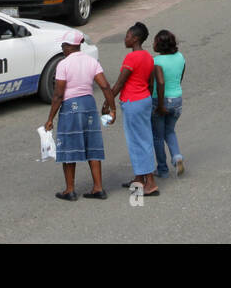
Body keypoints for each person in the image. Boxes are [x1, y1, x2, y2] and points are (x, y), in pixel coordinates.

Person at [44, 29, 115, 201]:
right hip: (89, 105)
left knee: (69, 147)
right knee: (93, 145)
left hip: (71, 107)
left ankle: (70, 190)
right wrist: (112, 108)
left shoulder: (63, 64)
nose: (62, 48)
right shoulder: (91, 61)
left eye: (63, 45)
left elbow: (58, 95)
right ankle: (98, 188)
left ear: (70, 46)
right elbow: (105, 85)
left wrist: (50, 118)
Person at [110, 22, 160, 197]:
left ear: (135, 38)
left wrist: (108, 102)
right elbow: (151, 83)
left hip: (133, 102)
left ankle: (150, 183)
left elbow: (119, 83)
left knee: (138, 141)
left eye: (128, 36)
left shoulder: (131, 58)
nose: (126, 39)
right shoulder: (148, 57)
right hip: (144, 99)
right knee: (142, 138)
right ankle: (139, 178)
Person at [150, 30, 186, 178]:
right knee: (170, 131)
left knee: (158, 136)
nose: (152, 44)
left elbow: (160, 82)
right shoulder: (180, 57)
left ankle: (162, 169)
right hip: (177, 100)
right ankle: (177, 157)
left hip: (161, 101)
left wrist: (160, 105)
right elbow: (180, 77)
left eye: (154, 41)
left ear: (160, 45)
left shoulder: (157, 62)